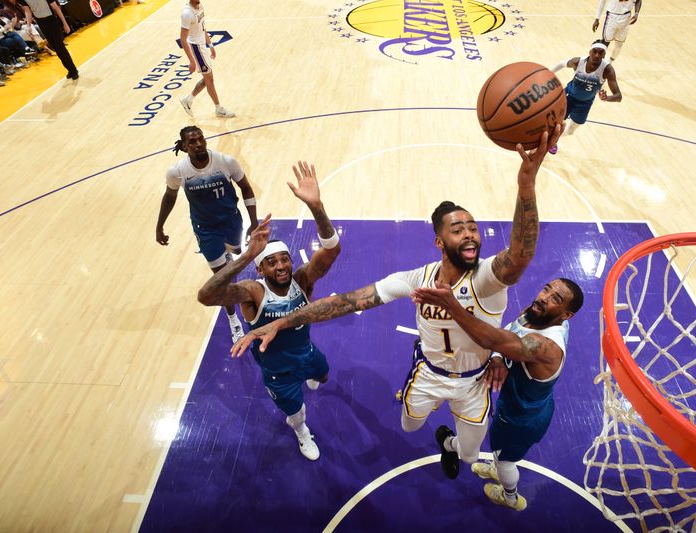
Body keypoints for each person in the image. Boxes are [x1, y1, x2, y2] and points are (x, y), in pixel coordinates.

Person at [231, 126, 563, 480]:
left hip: (473, 383)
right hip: (430, 375)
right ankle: (417, 393)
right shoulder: (415, 279)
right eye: (458, 228)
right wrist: (283, 321)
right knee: (407, 425)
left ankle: (448, 444)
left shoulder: (486, 277)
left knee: (468, 456)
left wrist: (526, 184)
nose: (469, 232)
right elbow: (346, 302)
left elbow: (521, 254)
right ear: (439, 241)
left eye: (473, 226)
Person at [197, 162, 341, 460]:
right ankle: (300, 431)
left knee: (323, 377)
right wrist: (246, 254)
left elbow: (331, 251)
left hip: (306, 352)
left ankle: (310, 381)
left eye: (284, 259)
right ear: (260, 268)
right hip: (278, 370)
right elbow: (206, 295)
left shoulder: (301, 279)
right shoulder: (252, 292)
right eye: (271, 262)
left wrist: (316, 206)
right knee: (297, 412)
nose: (280, 266)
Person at [410, 278, 584, 511]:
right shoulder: (537, 315)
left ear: (566, 314)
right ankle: (497, 463)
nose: (543, 298)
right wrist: (498, 357)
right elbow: (508, 335)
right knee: (500, 453)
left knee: (506, 462)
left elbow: (491, 339)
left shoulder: (544, 346)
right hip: (529, 404)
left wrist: (452, 305)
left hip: (520, 419)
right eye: (546, 289)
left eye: (556, 299)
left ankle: (509, 497)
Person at [156, 126, 258, 343]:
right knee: (223, 278)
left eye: (200, 139)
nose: (199, 144)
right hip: (206, 229)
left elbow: (246, 189)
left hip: (232, 220)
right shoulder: (177, 172)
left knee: (235, 251)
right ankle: (233, 318)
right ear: (184, 146)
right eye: (192, 142)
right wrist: (159, 226)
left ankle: (229, 256)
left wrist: (254, 222)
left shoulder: (225, 162)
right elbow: (169, 197)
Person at [548, 40, 622, 154]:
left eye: (601, 53)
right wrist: (548, 73)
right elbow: (562, 63)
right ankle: (550, 141)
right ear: (590, 52)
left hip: (585, 103)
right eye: (595, 51)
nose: (597, 55)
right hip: (568, 96)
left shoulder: (607, 69)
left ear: (604, 55)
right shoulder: (578, 62)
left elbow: (618, 96)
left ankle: (553, 138)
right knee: (557, 123)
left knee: (571, 131)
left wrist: (607, 98)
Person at [178, 0, 234, 118]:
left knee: (208, 79)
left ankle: (188, 100)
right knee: (209, 79)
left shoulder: (200, 5)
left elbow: (203, 28)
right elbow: (183, 39)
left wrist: (211, 45)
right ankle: (218, 108)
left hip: (202, 46)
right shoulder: (187, 13)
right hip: (196, 48)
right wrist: (192, 60)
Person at [17, 0, 77, 79]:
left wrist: (65, 23)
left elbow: (56, 7)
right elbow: (28, 11)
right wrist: (28, 26)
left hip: (51, 20)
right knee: (55, 48)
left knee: (60, 47)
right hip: (41, 22)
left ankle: (73, 70)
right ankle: (70, 69)